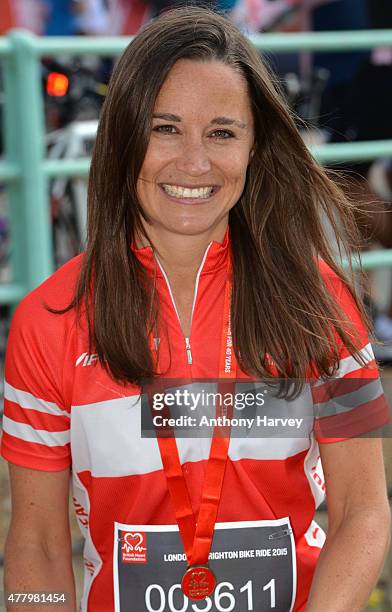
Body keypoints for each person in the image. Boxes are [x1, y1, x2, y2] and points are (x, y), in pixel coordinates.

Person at [1, 7, 390, 611]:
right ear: (125, 136)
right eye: (165, 128)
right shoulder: (47, 322)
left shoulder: (321, 302)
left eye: (223, 132)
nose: (194, 162)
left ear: (256, 146)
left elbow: (364, 513)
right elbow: (38, 548)